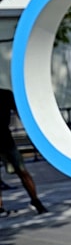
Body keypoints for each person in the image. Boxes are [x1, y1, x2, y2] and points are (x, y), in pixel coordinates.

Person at [0, 89, 48, 217]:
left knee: (22, 171)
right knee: (22, 171)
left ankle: (36, 201)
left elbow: (20, 112)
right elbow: (20, 113)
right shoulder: (6, 94)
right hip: (6, 140)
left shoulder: (6, 95)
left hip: (6, 140)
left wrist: (33, 132)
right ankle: (35, 202)